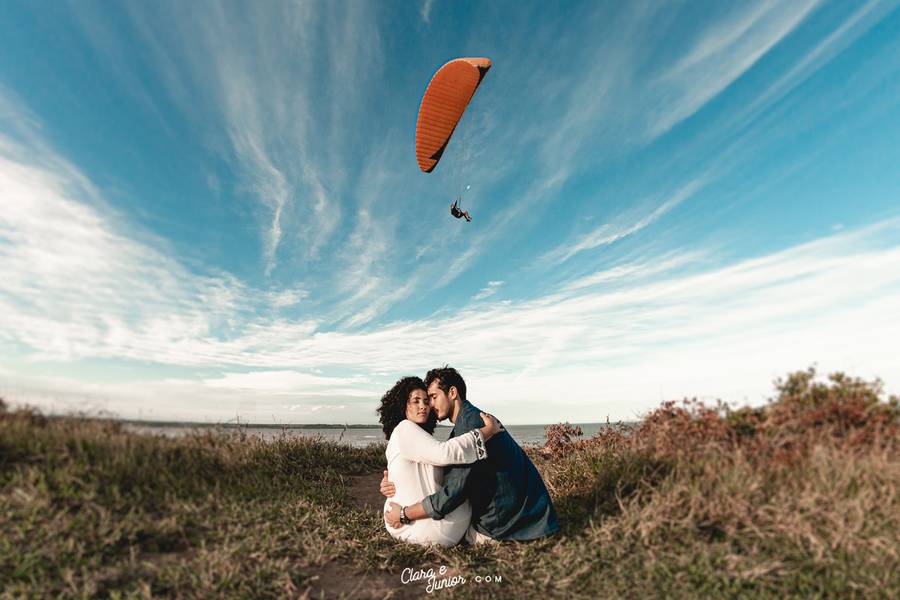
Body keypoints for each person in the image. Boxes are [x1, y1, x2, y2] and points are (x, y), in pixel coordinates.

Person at [382, 367, 559, 544]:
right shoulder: (468, 421)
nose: (429, 406)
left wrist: (405, 513)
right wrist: (395, 479)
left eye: (432, 398)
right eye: (421, 401)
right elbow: (445, 466)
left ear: (452, 392)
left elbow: (452, 493)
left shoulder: (471, 425)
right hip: (525, 514)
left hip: (507, 524)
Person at [376, 376, 503, 546]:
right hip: (429, 528)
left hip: (409, 524)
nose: (424, 406)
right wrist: (486, 431)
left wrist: (389, 481)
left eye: (427, 401)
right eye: (416, 401)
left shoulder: (411, 435)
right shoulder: (405, 428)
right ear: (403, 406)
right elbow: (444, 453)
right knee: (467, 479)